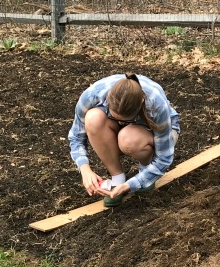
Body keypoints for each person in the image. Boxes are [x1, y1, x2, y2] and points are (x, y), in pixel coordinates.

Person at [68, 72, 180, 207]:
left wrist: (130, 185)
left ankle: (145, 170)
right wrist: (85, 169)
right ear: (109, 97)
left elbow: (164, 158)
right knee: (93, 118)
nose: (120, 122)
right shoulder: (92, 95)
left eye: (123, 119)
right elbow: (76, 136)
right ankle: (117, 178)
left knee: (128, 138)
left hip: (156, 132)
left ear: (140, 105)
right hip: (127, 129)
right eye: (115, 116)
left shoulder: (155, 105)